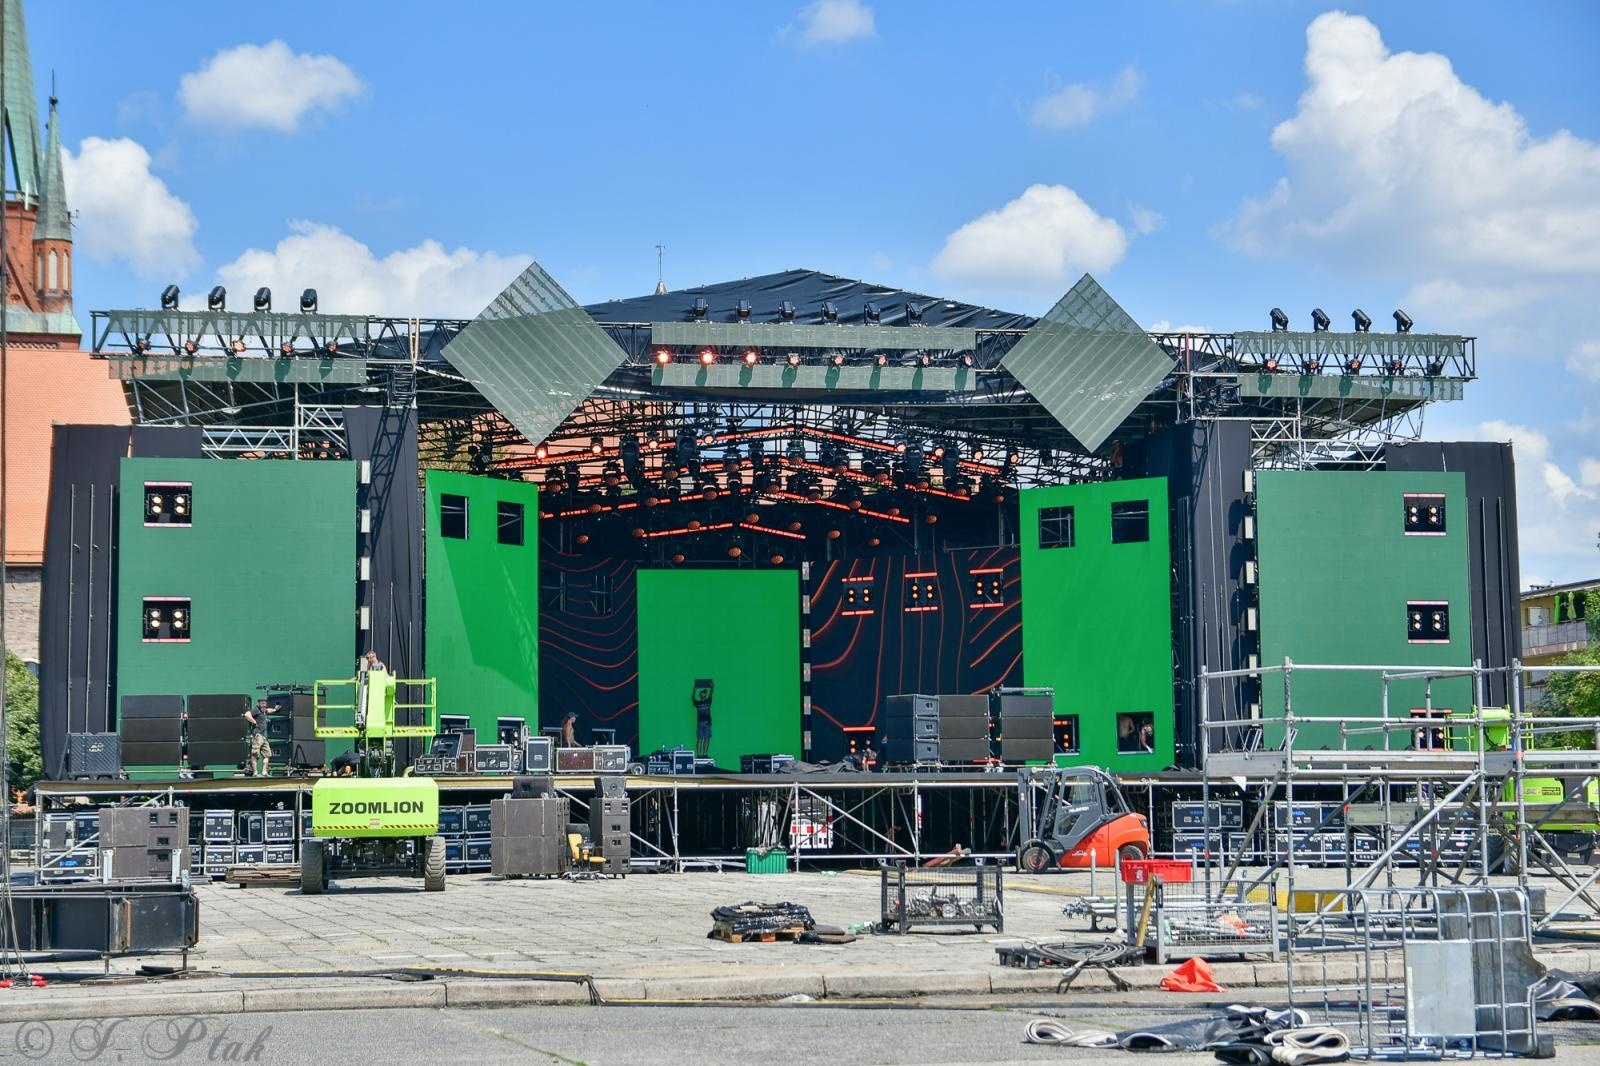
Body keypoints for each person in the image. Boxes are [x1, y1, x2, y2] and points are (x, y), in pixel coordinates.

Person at [243, 699, 271, 777]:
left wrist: (276, 709)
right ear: (259, 704)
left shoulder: (263, 711)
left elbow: (269, 710)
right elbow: (247, 714)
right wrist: (254, 721)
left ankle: (264, 772)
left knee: (267, 754)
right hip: (257, 735)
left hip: (263, 736)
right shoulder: (256, 710)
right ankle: (255, 772)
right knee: (255, 754)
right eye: (262, 703)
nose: (264, 705)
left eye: (265, 703)